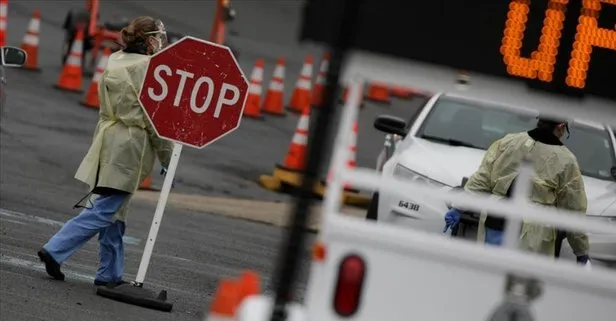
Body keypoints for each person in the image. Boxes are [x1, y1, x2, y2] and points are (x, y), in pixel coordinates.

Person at [37, 16, 174, 286]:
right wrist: (168, 156)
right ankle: (55, 248)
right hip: (131, 144)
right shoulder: (148, 68)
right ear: (147, 40)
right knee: (107, 208)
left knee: (115, 211)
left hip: (109, 136)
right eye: (157, 37)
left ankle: (109, 274)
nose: (161, 42)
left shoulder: (117, 59)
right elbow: (154, 119)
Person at [444, 117, 590, 265]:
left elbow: (481, 180)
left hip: (496, 219)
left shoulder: (509, 142)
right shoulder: (566, 160)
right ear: (561, 127)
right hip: (534, 232)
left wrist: (459, 207)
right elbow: (573, 209)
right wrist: (581, 251)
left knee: (490, 274)